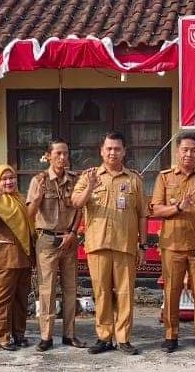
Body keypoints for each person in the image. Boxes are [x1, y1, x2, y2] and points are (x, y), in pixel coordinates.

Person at [71, 131, 147, 355]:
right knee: (102, 292)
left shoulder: (133, 179)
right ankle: (104, 337)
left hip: (125, 245)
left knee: (125, 293)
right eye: (109, 148)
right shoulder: (89, 176)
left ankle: (123, 339)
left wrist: (143, 245)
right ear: (101, 151)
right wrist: (89, 187)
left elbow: (142, 214)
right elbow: (76, 203)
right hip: (98, 245)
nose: (113, 152)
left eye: (117, 149)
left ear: (124, 151)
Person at [149, 131, 195, 353]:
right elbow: (156, 209)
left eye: (194, 150)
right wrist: (178, 207)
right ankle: (171, 336)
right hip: (172, 247)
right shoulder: (165, 178)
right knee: (172, 292)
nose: (189, 154)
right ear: (177, 151)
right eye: (185, 150)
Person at [26, 139, 84, 351]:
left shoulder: (75, 180)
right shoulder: (39, 180)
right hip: (47, 240)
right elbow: (29, 215)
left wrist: (73, 233)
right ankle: (46, 336)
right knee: (47, 290)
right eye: (58, 153)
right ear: (48, 155)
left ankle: (69, 334)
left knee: (70, 288)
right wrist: (38, 199)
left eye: (65, 153)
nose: (62, 157)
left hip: (69, 239)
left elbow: (79, 210)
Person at [0, 164, 36, 350]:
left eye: (11, 178)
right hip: (4, 258)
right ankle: (3, 337)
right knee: (3, 299)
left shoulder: (20, 199)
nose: (8, 182)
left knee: (21, 299)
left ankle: (19, 334)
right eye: (4, 179)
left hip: (24, 256)